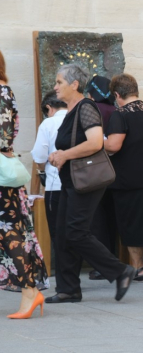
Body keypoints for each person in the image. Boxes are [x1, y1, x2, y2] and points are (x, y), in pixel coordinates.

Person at [47, 64, 135, 304]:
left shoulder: (87, 107)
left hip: (86, 181)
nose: (55, 86)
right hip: (71, 181)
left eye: (59, 82)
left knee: (76, 232)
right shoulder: (69, 112)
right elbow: (74, 145)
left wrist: (64, 155)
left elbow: (96, 142)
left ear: (74, 85)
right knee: (64, 234)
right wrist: (59, 155)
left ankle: (119, 271)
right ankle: (68, 289)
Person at [104, 73, 143, 282]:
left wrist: (96, 141)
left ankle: (138, 268)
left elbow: (114, 145)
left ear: (117, 94)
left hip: (130, 181)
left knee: (131, 225)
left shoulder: (120, 114)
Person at [0, 50, 49, 318]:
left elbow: (4, 136)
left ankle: (30, 292)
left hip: (2, 183)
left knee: (12, 235)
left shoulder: (2, 92)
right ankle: (31, 292)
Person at [87, 75, 117, 280]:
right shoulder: (116, 110)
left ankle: (102, 265)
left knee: (97, 220)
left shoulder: (92, 110)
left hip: (96, 171)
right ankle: (113, 259)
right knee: (111, 218)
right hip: (116, 172)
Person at [31, 91, 68, 253]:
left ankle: (65, 270)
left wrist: (41, 168)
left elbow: (39, 157)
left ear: (49, 107)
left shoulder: (48, 124)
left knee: (58, 231)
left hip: (56, 184)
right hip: (83, 184)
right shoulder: (79, 117)